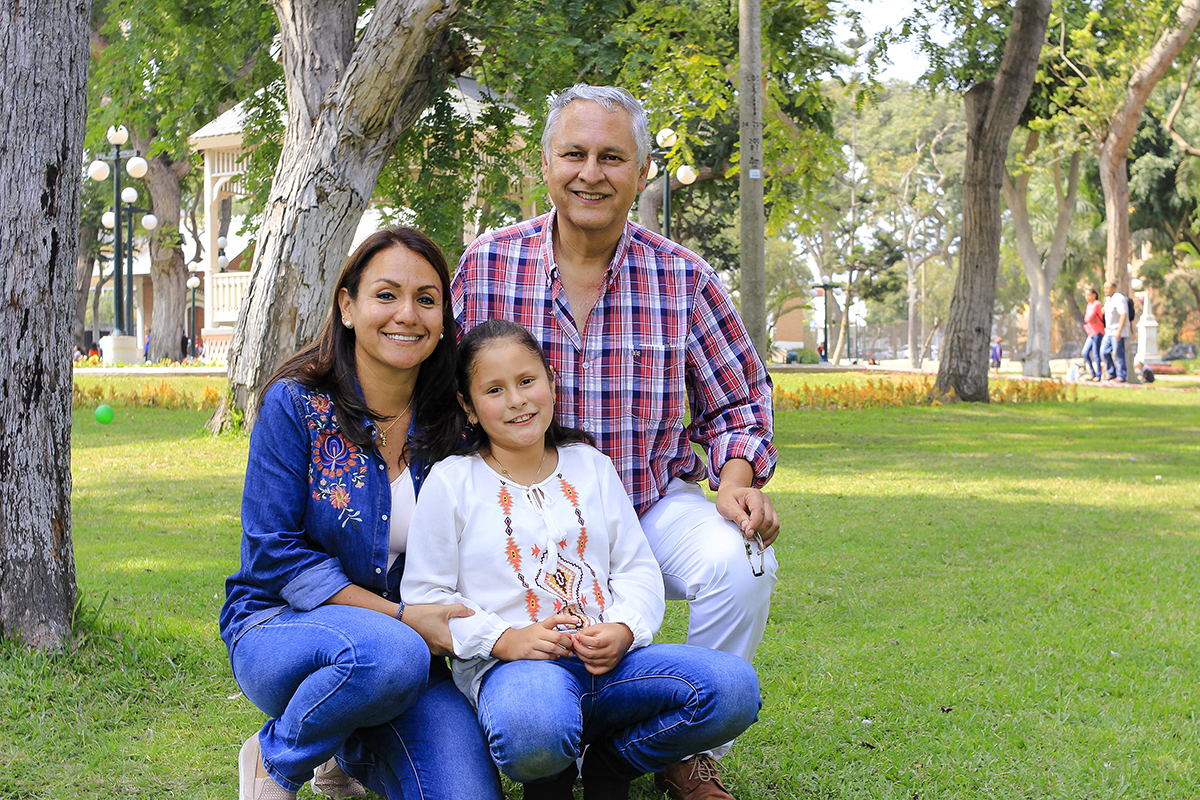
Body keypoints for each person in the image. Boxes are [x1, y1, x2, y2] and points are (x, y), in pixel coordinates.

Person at [453, 84, 778, 798]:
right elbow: (439, 394)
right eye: (574, 154)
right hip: (519, 518)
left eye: (612, 157)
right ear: (547, 163)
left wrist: (735, 481)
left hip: (645, 507)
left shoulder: (683, 277)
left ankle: (685, 750)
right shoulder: (487, 265)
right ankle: (495, 719)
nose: (590, 173)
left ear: (642, 171)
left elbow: (740, 401)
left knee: (743, 562)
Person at [401, 319, 761, 800]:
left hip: (615, 665)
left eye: (527, 380)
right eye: (494, 389)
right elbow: (426, 599)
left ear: (552, 381)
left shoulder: (590, 465)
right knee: (533, 727)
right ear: (468, 406)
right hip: (517, 672)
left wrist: (624, 628)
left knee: (734, 688)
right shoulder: (451, 482)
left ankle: (612, 763)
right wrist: (505, 639)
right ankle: (549, 778)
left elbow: (635, 567)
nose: (516, 400)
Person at [219, 228, 502, 800]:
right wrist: (401, 617)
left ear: (443, 319)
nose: (408, 314)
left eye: (426, 299)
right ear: (347, 306)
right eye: (386, 295)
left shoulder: (454, 422)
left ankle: (344, 742)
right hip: (283, 627)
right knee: (391, 652)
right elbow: (273, 554)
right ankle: (275, 758)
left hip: (411, 659)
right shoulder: (296, 404)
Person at [1100, 280, 1130, 383]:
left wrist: (1119, 330)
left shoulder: (1119, 298)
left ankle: (1121, 376)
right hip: (1109, 331)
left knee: (1118, 353)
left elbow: (1123, 314)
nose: (1105, 290)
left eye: (1107, 288)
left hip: (1117, 331)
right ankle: (1112, 373)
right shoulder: (1108, 299)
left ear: (1114, 288)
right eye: (1104, 288)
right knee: (1103, 352)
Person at [1082, 287, 1106, 381]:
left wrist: (1088, 318)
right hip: (1091, 332)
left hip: (1098, 332)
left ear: (1094, 295)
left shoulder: (1097, 304)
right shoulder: (1089, 305)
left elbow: (1090, 317)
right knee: (1085, 352)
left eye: (1089, 295)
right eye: (1086, 295)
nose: (1087, 297)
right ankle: (1092, 372)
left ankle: (1098, 375)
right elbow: (1086, 318)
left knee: (1096, 353)